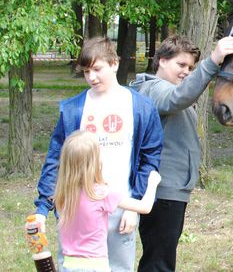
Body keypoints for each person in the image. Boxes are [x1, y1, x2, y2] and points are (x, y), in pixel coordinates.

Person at [33, 37, 163, 272]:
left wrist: (133, 207)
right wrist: (43, 208)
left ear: (114, 63)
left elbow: (149, 159)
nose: (91, 77)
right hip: (78, 212)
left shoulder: (141, 107)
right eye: (86, 71)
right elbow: (56, 159)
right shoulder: (73, 109)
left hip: (120, 207)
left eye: (97, 69)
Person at [130, 34, 233, 272]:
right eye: (180, 65)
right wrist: (213, 61)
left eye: (190, 67)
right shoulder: (153, 89)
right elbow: (177, 99)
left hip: (172, 190)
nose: (186, 72)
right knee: (158, 264)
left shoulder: (168, 89)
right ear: (161, 60)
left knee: (160, 259)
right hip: (162, 191)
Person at [51, 130, 161, 272]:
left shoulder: (62, 195)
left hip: (68, 265)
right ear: (95, 162)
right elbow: (145, 207)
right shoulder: (100, 193)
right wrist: (152, 182)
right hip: (96, 266)